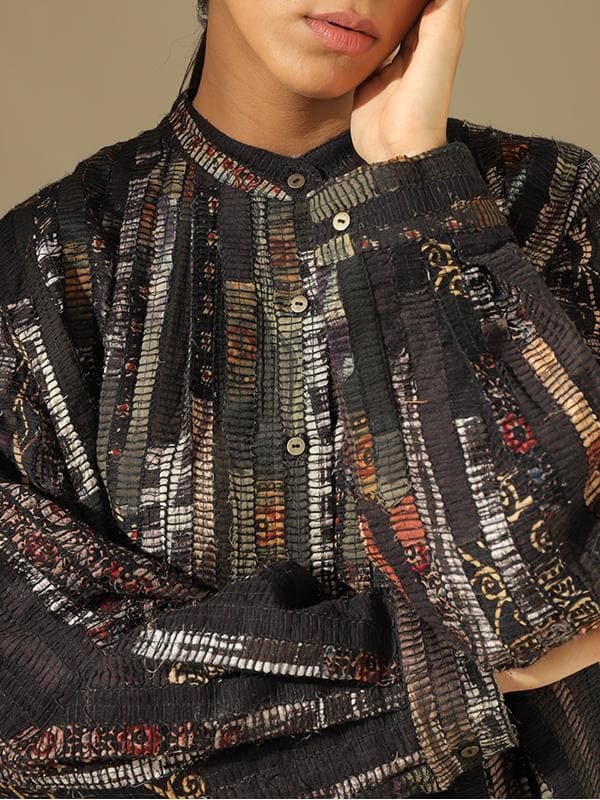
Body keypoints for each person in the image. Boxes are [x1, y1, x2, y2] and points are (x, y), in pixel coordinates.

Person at [0, 0, 599, 796]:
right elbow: (48, 714)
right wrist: (458, 680)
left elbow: (541, 598)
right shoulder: (46, 267)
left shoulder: (556, 215)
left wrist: (413, 199)